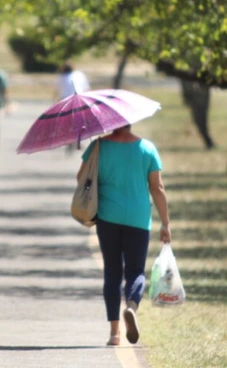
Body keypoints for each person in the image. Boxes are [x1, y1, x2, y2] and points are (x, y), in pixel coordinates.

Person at [77, 124, 170, 347]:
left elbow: (81, 178)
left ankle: (114, 333)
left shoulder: (99, 147)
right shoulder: (147, 148)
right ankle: (131, 307)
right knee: (136, 270)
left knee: (112, 270)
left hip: (108, 217)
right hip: (138, 219)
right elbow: (157, 188)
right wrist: (166, 223)